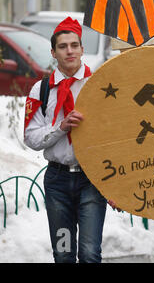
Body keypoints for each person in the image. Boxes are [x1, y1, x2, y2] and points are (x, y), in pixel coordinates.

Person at [23, 17, 112, 263]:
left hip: (91, 180)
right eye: (63, 46)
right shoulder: (40, 89)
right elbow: (30, 137)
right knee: (63, 254)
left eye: (74, 45)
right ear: (53, 51)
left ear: (82, 49)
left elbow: (114, 136)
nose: (69, 51)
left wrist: (117, 184)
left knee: (90, 253)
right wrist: (60, 128)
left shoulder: (100, 86)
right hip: (57, 182)